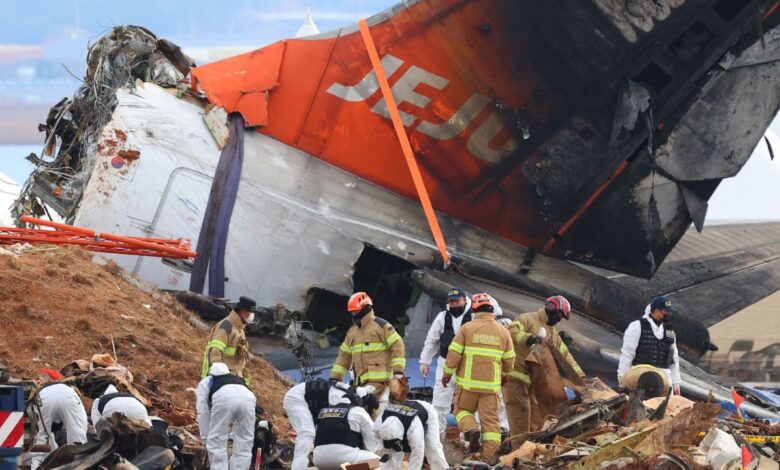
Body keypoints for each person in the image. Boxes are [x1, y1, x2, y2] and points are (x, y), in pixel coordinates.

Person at [503, 295, 585, 445]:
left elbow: (565, 355)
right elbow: (511, 332)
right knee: (519, 418)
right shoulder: (527, 319)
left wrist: (580, 376)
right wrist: (529, 338)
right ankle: (517, 455)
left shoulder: (552, 333)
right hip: (515, 377)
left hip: (534, 383)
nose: (560, 320)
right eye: (560, 315)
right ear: (552, 308)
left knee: (538, 420)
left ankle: (530, 451)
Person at [442, 293, 514, 461]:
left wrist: (447, 374)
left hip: (468, 387)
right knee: (491, 425)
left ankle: (471, 429)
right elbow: (510, 359)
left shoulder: (467, 328)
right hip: (490, 389)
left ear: (474, 309)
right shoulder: (503, 331)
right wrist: (505, 376)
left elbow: (454, 354)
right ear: (492, 310)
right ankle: (489, 458)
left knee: (461, 410)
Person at [283, 378, 374, 470]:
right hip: (296, 399)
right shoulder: (344, 398)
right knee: (307, 433)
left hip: (320, 458)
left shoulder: (347, 392)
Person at [330, 292, 406, 398]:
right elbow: (344, 356)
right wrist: (335, 378)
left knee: (369, 409)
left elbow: (398, 345)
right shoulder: (352, 332)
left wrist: (398, 371)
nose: (354, 314)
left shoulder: (381, 326)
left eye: (355, 311)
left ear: (365, 308)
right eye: (352, 312)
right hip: (359, 383)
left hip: (380, 383)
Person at [419, 288, 472, 434]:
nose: (454, 304)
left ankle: (467, 437)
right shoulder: (442, 317)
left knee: (466, 404)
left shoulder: (473, 317)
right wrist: (424, 361)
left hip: (466, 366)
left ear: (465, 300)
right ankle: (437, 435)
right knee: (439, 402)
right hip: (444, 363)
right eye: (451, 301)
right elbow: (432, 340)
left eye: (457, 301)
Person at [196, 362, 257, 470]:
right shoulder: (238, 379)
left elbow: (203, 411)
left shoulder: (207, 381)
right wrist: (233, 433)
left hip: (223, 398)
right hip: (249, 398)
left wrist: (205, 437)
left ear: (210, 372)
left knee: (217, 440)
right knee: (244, 439)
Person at [617, 296, 681, 395]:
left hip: (664, 379)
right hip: (640, 375)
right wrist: (621, 377)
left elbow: (674, 359)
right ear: (656, 311)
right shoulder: (637, 326)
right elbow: (627, 354)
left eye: (669, 312)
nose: (668, 314)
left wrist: (676, 382)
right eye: (665, 312)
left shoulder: (670, 332)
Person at [30, 369, 88, 470]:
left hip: (43, 397)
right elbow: (82, 420)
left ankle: (36, 466)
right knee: (77, 437)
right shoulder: (69, 389)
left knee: (41, 438)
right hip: (67, 396)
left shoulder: (40, 390)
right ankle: (80, 465)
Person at [311, 393, 381, 470]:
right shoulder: (359, 410)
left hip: (319, 460)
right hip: (345, 459)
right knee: (381, 462)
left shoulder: (323, 411)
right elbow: (372, 444)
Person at [376, 399, 448, 470]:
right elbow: (381, 446)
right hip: (406, 409)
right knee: (393, 452)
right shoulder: (379, 423)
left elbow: (417, 455)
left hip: (427, 412)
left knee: (433, 448)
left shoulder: (413, 427)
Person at [201, 296, 255, 385]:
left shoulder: (239, 329)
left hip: (234, 378)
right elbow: (214, 352)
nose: (252, 316)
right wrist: (219, 378)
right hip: (224, 378)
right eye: (250, 312)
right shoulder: (226, 327)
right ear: (242, 312)